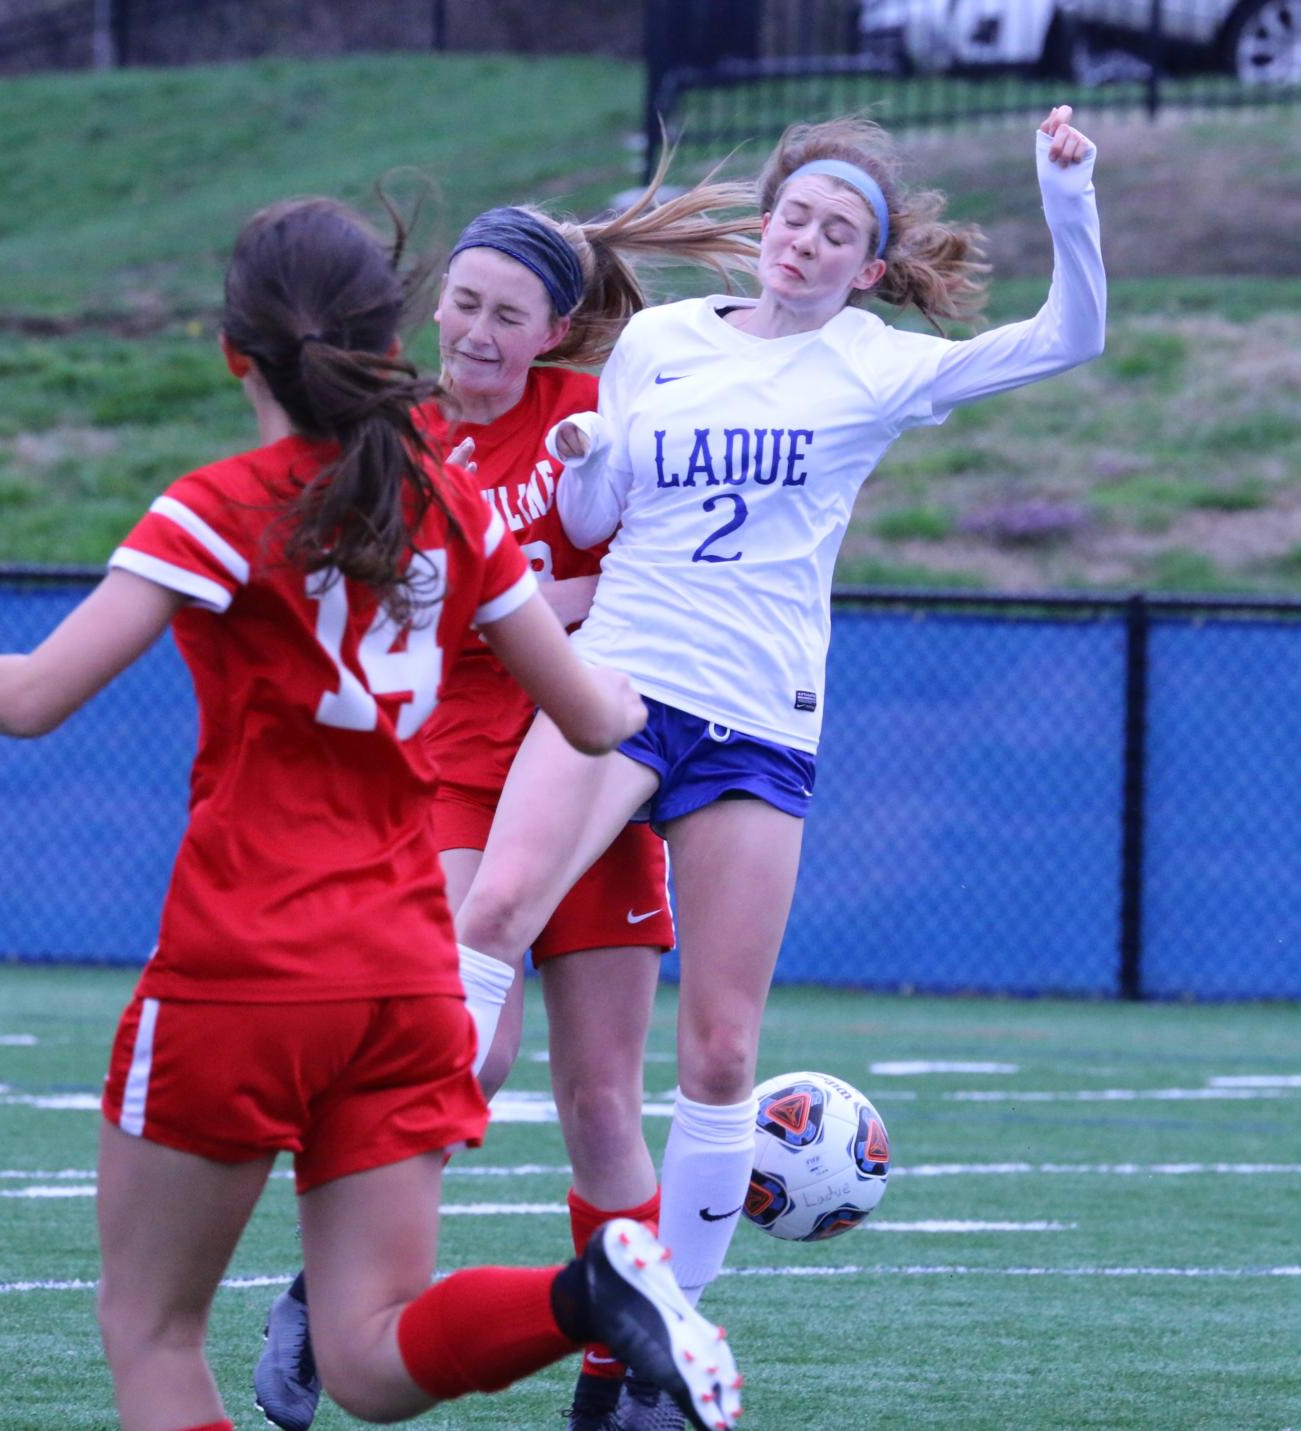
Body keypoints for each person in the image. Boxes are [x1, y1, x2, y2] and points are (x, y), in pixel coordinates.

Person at [0, 196, 744, 1431]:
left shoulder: (218, 506)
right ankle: (585, 1295)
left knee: (151, 1332)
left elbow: (34, 695)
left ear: (233, 353)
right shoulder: (454, 502)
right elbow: (597, 721)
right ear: (394, 334)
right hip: (407, 975)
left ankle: (594, 1296)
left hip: (247, 965)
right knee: (370, 1362)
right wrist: (640, 679)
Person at [450, 105, 1105, 1429]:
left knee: (722, 1044)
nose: (809, 240)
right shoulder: (655, 343)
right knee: (491, 919)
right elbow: (586, 519)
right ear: (766, 226)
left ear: (867, 265)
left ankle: (658, 1351)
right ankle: (364, 1222)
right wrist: (591, 452)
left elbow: (1070, 337)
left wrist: (1064, 194)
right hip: (621, 684)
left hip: (761, 718)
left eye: (840, 231)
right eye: (797, 215)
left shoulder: (874, 362)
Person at [252, 177, 760, 1431]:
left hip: (600, 762)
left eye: (506, 314)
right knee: (459, 1044)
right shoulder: (394, 435)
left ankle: (624, 1367)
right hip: (461, 766)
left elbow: (670, 559)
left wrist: (566, 614)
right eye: (461, 306)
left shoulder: (599, 413)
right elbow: (365, 602)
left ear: (555, 332)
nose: (475, 332)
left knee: (599, 1094)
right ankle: (333, 1286)